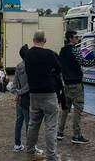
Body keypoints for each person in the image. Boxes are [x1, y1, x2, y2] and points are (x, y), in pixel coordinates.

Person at [25, 30, 60, 161]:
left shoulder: (27, 55)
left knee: (33, 124)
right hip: (49, 94)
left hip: (34, 94)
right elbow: (58, 68)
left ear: (33, 39)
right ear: (44, 40)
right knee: (51, 126)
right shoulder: (49, 54)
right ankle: (51, 155)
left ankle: (30, 149)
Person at [57, 30, 89, 144]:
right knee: (78, 110)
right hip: (76, 83)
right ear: (70, 38)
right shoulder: (75, 50)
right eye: (76, 37)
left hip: (66, 84)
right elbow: (84, 62)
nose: (77, 39)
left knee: (65, 109)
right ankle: (76, 135)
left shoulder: (62, 50)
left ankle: (60, 132)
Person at [11, 44, 30, 153]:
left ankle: (17, 144)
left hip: (19, 99)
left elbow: (14, 85)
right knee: (29, 122)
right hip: (27, 98)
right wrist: (22, 92)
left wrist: (17, 92)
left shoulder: (18, 66)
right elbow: (30, 84)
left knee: (19, 122)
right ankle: (31, 145)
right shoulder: (30, 66)